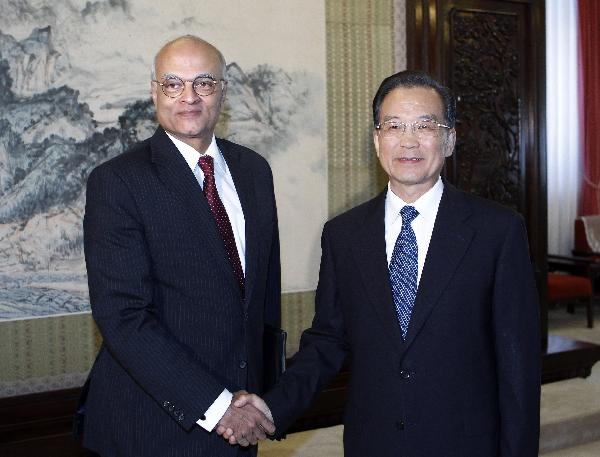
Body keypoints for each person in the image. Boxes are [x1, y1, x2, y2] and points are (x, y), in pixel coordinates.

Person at [231, 70, 540, 456]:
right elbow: (328, 340)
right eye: (393, 126)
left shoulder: (497, 231)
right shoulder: (343, 235)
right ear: (377, 140)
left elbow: (518, 368)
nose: (408, 140)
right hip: (373, 441)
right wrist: (272, 406)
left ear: (449, 139)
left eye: (424, 126)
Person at [81, 35, 279, 456]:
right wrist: (219, 407)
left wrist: (265, 400)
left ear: (222, 91)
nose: (189, 97)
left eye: (204, 83)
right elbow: (124, 317)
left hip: (243, 420)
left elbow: (261, 300)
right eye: (173, 84)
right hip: (153, 428)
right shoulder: (117, 181)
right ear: (154, 91)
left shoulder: (254, 171)